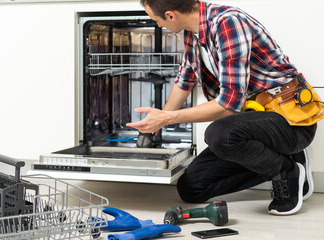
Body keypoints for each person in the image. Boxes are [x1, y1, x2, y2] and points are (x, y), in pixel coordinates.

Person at [126, 0, 317, 215]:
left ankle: (286, 172)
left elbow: (229, 105)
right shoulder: (192, 32)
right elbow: (185, 80)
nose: (158, 25)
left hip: (290, 121)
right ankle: (287, 159)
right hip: (254, 121)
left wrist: (167, 119)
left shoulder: (228, 23)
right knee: (192, 188)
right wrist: (158, 120)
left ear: (171, 15)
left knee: (220, 133)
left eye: (156, 20)